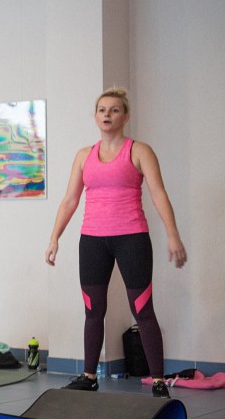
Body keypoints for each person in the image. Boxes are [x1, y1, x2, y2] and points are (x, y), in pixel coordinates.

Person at [45, 88, 186, 399]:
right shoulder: (83, 155)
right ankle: (89, 376)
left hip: (131, 238)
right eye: (102, 110)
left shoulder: (139, 151)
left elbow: (159, 194)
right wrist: (55, 237)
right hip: (92, 240)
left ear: (126, 116)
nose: (107, 115)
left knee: (142, 310)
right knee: (93, 310)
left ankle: (158, 380)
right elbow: (70, 200)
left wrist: (173, 234)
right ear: (95, 116)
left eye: (114, 110)